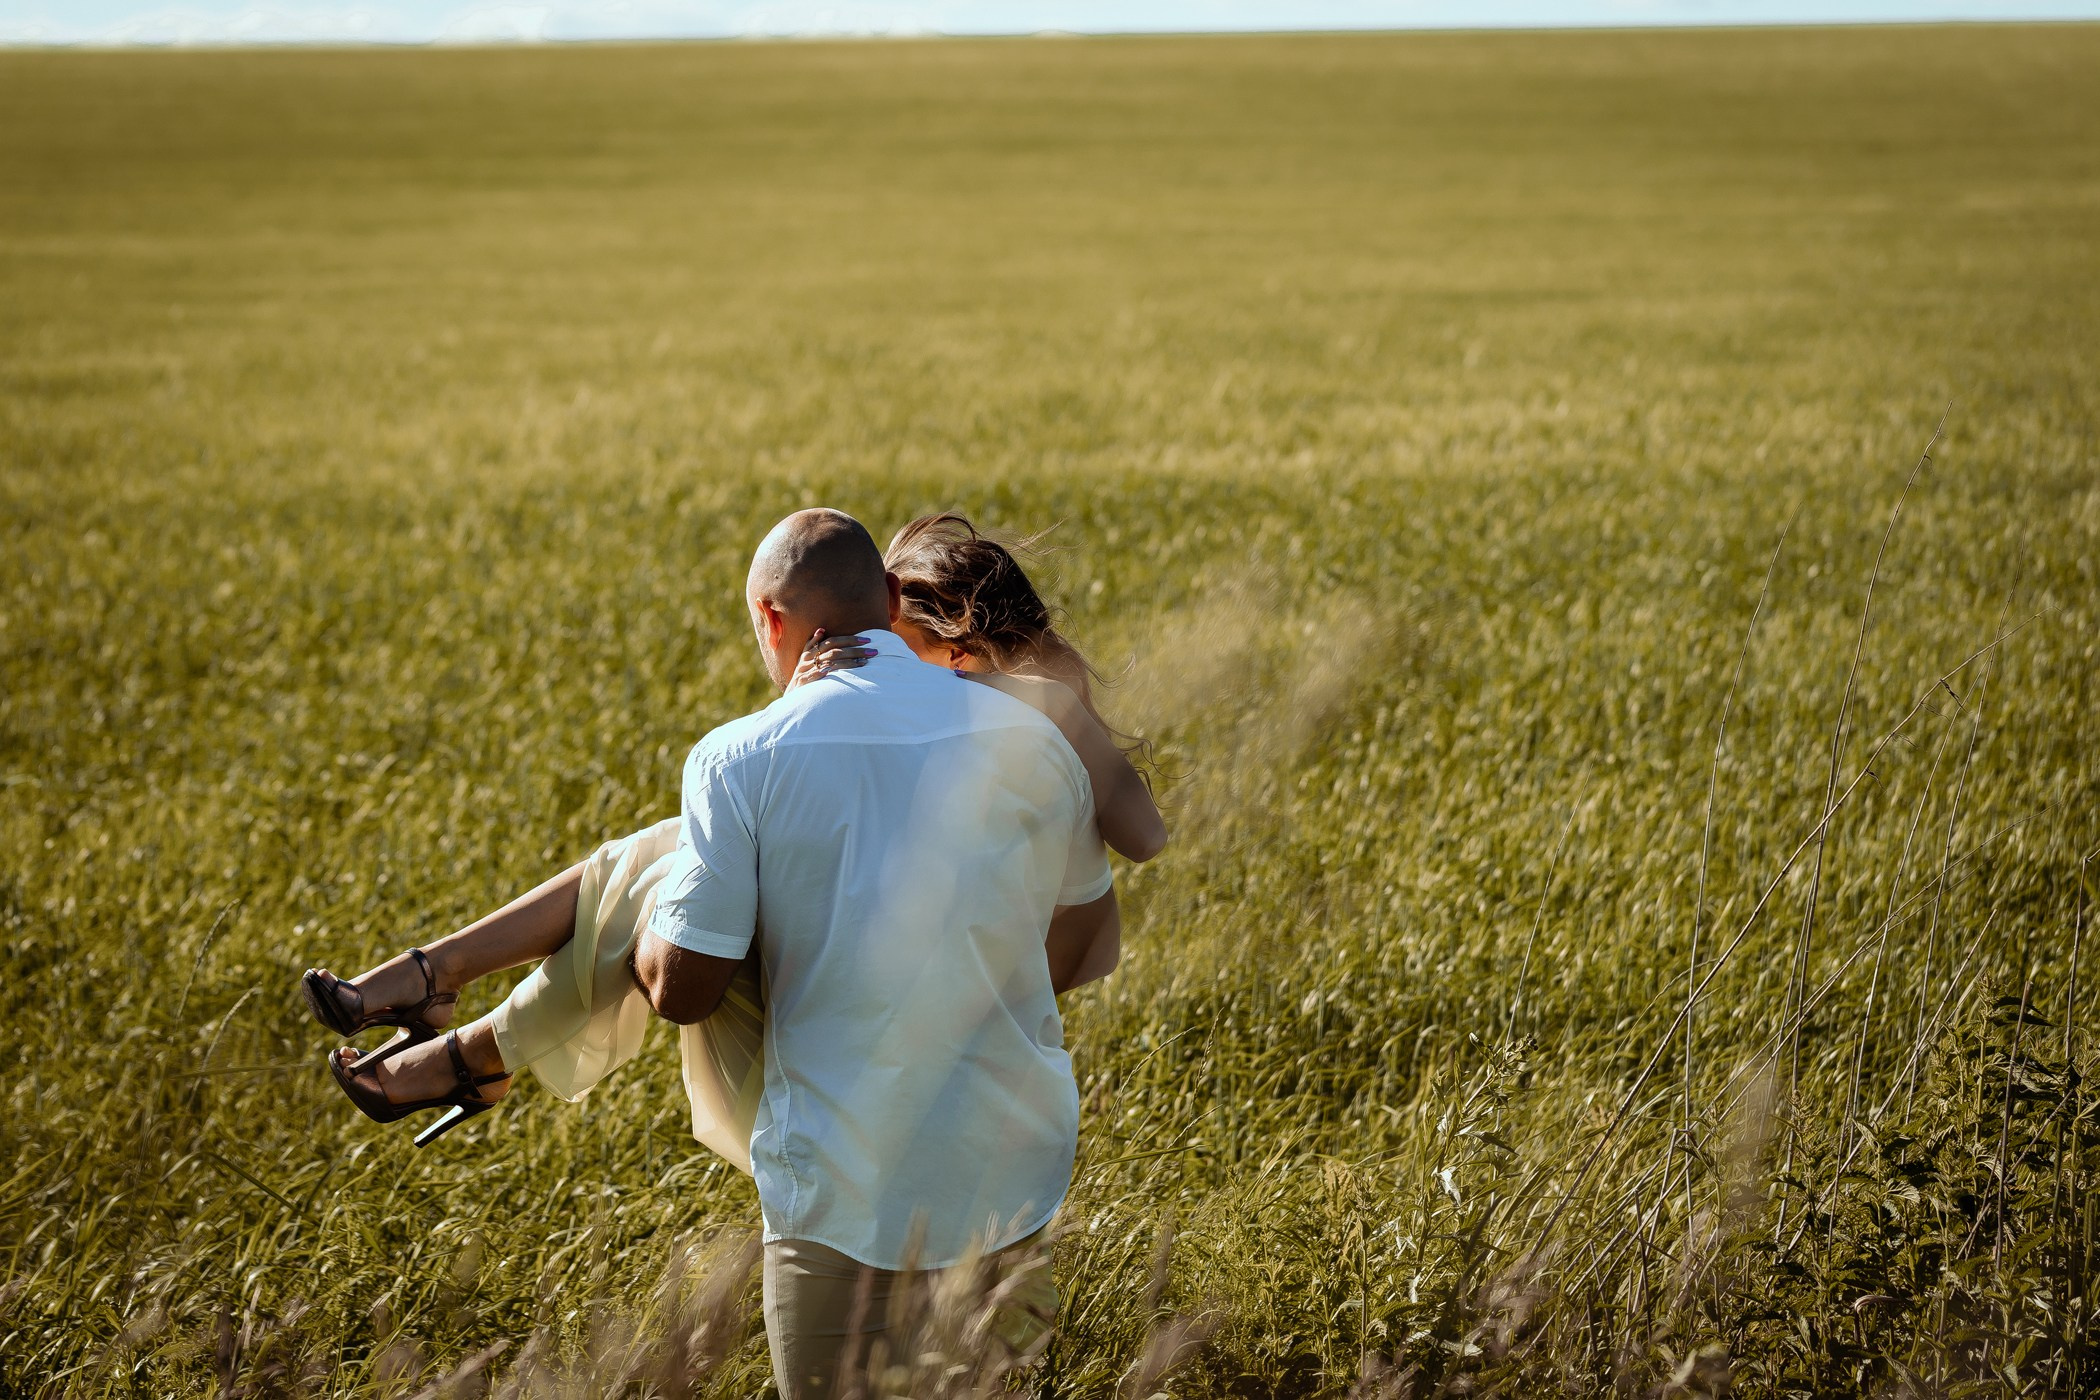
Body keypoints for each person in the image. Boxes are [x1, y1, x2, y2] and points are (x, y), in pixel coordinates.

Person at [305, 510, 1159, 1391]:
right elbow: (1086, 950)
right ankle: (455, 1028)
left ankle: (453, 1024)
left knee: (651, 872)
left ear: (769, 619)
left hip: (842, 1188)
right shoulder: (1033, 740)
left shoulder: (742, 757)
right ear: (893, 600)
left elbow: (682, 994)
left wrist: (666, 942)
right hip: (1006, 1165)